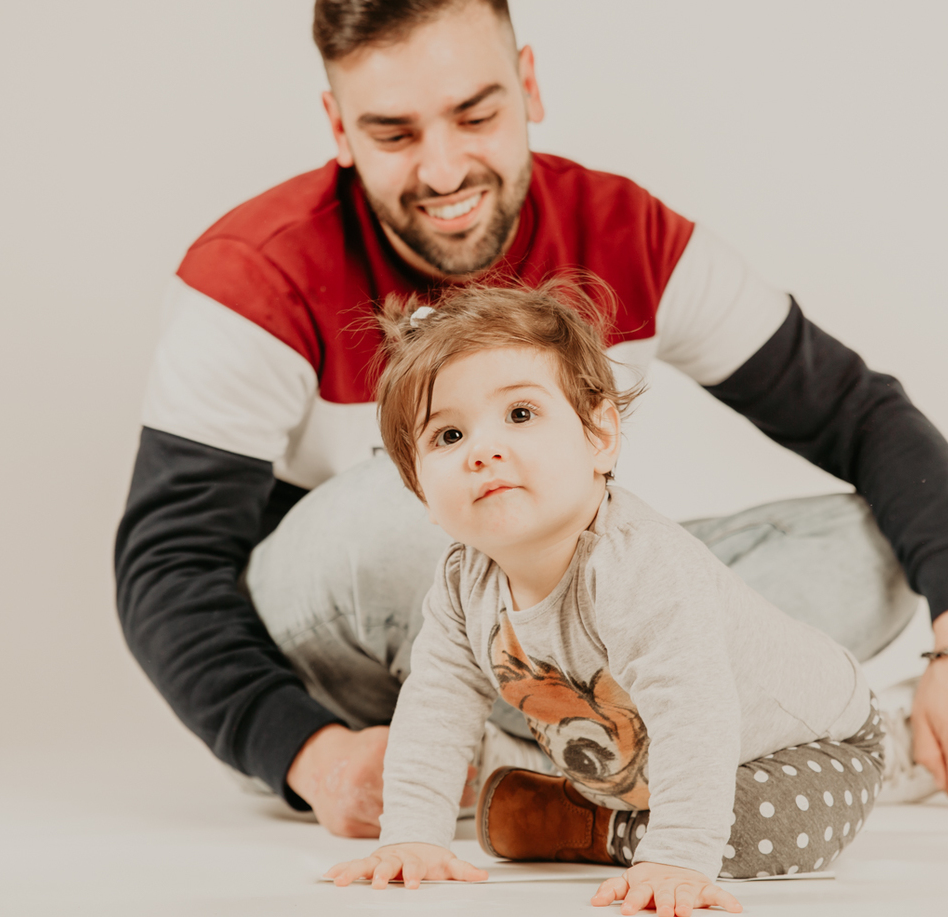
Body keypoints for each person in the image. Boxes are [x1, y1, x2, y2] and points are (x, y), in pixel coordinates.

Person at [113, 0, 948, 837]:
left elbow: (857, 412)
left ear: (529, 84)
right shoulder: (252, 276)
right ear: (338, 128)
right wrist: (308, 753)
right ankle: (754, 750)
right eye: (393, 132)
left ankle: (558, 785)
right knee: (414, 510)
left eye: (476, 115)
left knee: (867, 548)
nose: (444, 170)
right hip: (355, 639)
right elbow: (168, 565)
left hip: (560, 628)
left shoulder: (627, 235)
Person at [328, 282, 887, 917]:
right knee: (665, 789)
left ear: (599, 437)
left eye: (519, 415)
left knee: (753, 830)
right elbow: (435, 705)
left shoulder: (638, 565)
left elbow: (692, 714)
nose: (483, 450)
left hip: (815, 743)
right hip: (653, 759)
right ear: (422, 496)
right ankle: (594, 809)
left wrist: (676, 856)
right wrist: (412, 838)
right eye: (448, 436)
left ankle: (583, 824)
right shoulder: (463, 579)